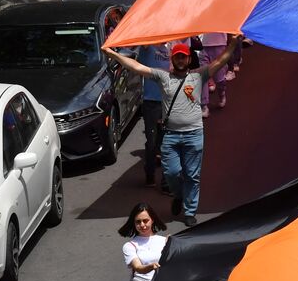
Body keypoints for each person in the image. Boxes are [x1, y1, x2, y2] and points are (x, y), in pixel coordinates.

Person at [103, 37, 243, 226]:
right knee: (171, 173)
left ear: (188, 59)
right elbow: (137, 67)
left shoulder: (198, 76)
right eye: (177, 57)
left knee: (192, 176)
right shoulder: (163, 77)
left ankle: (190, 212)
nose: (180, 60)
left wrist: (233, 44)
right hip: (171, 136)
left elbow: (220, 61)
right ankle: (179, 195)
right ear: (172, 58)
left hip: (194, 134)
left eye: (183, 57)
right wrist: (112, 53)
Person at [120, 203, 168, 281]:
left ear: (152, 220)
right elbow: (138, 267)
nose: (142, 225)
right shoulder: (129, 246)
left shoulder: (165, 241)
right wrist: (150, 267)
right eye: (138, 222)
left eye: (145, 220)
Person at [136, 43, 172, 188]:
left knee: (166, 143)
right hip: (151, 103)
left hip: (166, 102)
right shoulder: (147, 48)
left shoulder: (168, 49)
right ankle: (150, 174)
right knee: (151, 143)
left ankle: (166, 182)